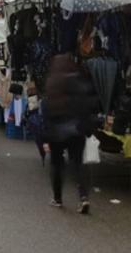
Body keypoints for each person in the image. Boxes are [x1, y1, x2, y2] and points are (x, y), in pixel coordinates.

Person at [40, 55, 98, 214]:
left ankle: (57, 198)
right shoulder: (80, 82)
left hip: (56, 130)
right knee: (77, 164)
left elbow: (46, 110)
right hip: (76, 129)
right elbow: (89, 106)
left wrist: (45, 136)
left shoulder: (52, 82)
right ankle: (84, 197)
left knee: (57, 165)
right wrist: (87, 128)